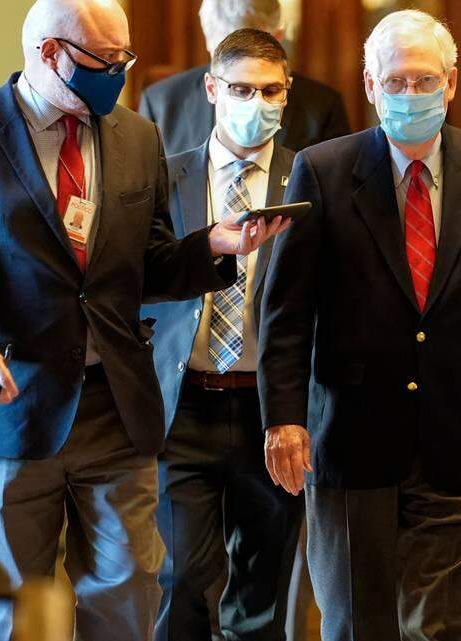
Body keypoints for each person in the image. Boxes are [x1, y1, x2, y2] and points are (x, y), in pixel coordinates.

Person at [0, 1, 282, 639]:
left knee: (130, 591)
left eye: (125, 57)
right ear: (49, 54)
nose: (120, 74)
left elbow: (149, 265)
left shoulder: (136, 135)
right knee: (13, 611)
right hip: (11, 407)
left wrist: (211, 246)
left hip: (116, 404)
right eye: (105, 61)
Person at [256, 9, 461, 641]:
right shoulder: (324, 169)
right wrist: (283, 419)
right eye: (396, 82)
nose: (411, 95)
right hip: (350, 433)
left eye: (425, 81)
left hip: (457, 432)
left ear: (452, 83)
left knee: (440, 625)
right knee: (356, 624)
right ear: (370, 86)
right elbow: (286, 312)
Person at [139, 29, 302, 641]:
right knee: (181, 577)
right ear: (212, 89)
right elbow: (140, 282)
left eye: (270, 90)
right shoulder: (164, 176)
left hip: (271, 409)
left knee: (262, 591)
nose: (256, 102)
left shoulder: (308, 177)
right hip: (184, 406)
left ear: (286, 94)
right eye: (240, 89)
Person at [139, 0, 350, 156]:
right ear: (207, 38)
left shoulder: (322, 106)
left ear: (277, 37)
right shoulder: (161, 102)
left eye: (249, 52)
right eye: (225, 53)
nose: (237, 68)